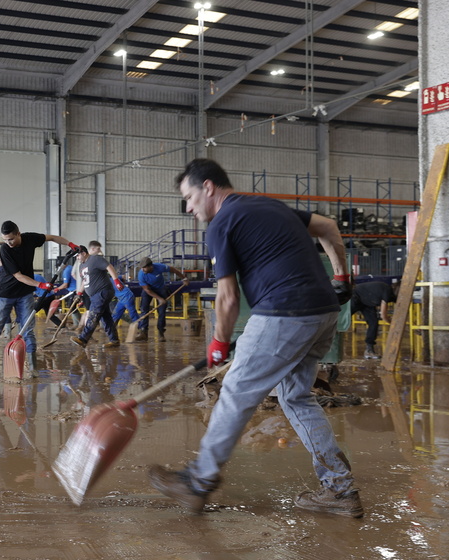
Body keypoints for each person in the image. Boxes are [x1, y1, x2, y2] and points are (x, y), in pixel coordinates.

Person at [148, 158, 362, 518]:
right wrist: (341, 278)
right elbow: (327, 226)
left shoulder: (221, 224)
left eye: (189, 197)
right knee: (295, 397)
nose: (188, 207)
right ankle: (340, 491)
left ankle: (198, 482)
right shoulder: (270, 206)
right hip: (324, 310)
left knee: (235, 392)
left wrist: (218, 343)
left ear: (209, 187)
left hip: (285, 311)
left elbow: (228, 298)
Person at [0, 221, 79, 380]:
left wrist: (70, 244)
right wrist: (41, 284)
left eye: (10, 239)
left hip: (25, 294)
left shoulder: (30, 239)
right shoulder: (5, 250)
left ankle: (33, 368)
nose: (8, 243)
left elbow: (51, 238)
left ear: (18, 233)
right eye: (5, 240)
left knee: (28, 329)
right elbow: (18, 276)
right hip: (5, 295)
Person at [70, 242, 123, 348]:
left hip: (103, 291)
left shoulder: (95, 259)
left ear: (84, 253)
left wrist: (116, 280)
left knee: (93, 314)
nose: (77, 258)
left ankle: (83, 339)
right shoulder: (82, 266)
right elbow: (85, 281)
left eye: (78, 255)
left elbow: (109, 267)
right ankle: (114, 340)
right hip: (95, 295)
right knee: (106, 317)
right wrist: (79, 293)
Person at [136, 257, 186, 342]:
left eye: (144, 267)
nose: (142, 269)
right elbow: (147, 290)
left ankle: (161, 332)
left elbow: (174, 270)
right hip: (149, 290)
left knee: (162, 311)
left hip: (161, 288)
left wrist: (184, 278)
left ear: (150, 266)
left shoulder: (159, 267)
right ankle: (143, 332)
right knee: (144, 309)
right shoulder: (141, 274)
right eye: (142, 267)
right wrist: (160, 299)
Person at [351, 281, 397, 359]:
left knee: (373, 323)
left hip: (367, 303)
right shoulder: (388, 291)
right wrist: (391, 322)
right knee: (341, 320)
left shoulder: (393, 295)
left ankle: (369, 350)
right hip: (355, 296)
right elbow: (383, 315)